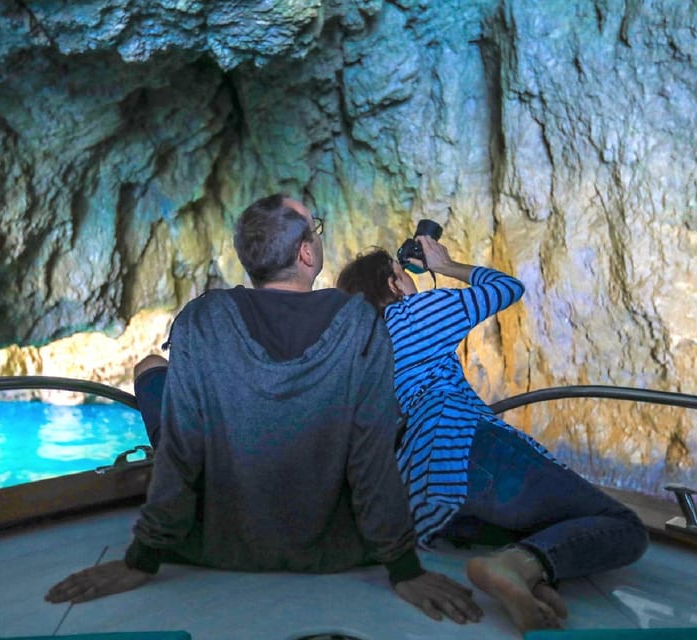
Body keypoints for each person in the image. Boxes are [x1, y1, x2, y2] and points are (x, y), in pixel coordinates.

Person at [45, 194, 483, 626]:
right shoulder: (358, 322)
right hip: (334, 552)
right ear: (307, 253)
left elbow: (181, 452)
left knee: (153, 368)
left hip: (213, 548)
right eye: (317, 227)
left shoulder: (201, 318)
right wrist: (404, 569)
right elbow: (371, 455)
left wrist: (141, 560)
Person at [335, 235, 649, 632]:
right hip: (467, 448)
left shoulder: (359, 351)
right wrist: (445, 266)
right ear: (393, 285)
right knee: (620, 524)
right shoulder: (413, 314)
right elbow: (507, 289)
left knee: (548, 523)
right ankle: (510, 566)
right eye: (402, 275)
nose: (409, 282)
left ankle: (527, 574)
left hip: (429, 497)